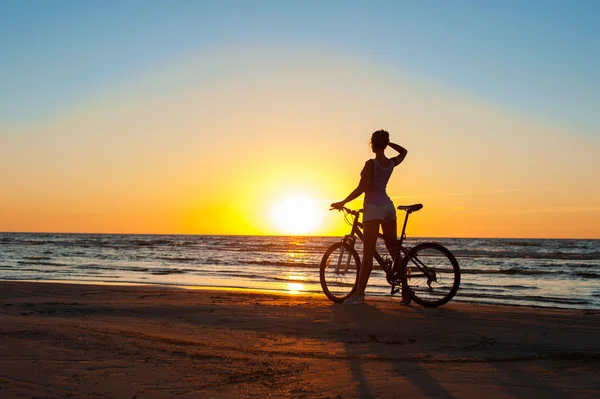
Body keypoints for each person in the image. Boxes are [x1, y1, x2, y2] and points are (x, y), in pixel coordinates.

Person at [331, 129, 409, 305]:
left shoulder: (370, 164)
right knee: (393, 250)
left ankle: (359, 296)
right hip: (388, 208)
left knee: (367, 254)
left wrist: (342, 203)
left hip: (373, 209)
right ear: (384, 144)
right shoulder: (390, 163)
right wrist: (389, 144)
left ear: (373, 146)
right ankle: (406, 293)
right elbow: (404, 152)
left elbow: (361, 189)